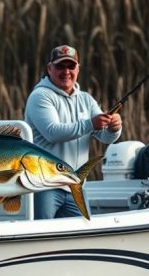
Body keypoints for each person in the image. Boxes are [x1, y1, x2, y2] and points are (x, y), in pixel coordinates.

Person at [24, 44, 122, 219]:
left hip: (75, 187)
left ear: (78, 68)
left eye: (70, 66)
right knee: (42, 235)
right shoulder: (40, 96)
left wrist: (114, 128)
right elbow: (52, 132)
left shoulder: (86, 99)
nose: (66, 71)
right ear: (49, 68)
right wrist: (91, 124)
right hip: (45, 185)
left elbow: (104, 137)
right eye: (60, 66)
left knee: (83, 235)